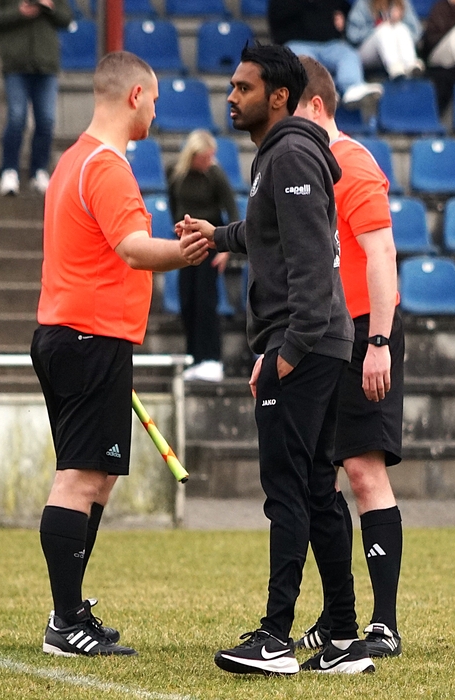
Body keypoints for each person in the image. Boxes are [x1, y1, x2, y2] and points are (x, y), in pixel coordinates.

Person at [181, 43, 374, 676]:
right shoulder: (281, 155)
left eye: (244, 87)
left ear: (280, 96)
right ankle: (343, 637)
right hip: (319, 342)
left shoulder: (288, 154)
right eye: (232, 86)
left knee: (288, 489)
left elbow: (314, 263)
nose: (231, 96)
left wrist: (286, 353)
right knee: (317, 489)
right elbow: (274, 233)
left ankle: (275, 637)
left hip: (304, 343)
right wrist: (219, 235)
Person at [31, 51, 209, 658]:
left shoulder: (74, 160)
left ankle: (69, 608)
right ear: (135, 95)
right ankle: (64, 622)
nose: (155, 111)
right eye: (154, 99)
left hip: (81, 335)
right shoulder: (106, 166)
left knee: (98, 477)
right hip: (88, 337)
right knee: (80, 476)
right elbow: (133, 248)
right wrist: (194, 248)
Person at [292, 55, 405, 659]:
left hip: (362, 331)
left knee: (363, 471)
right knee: (318, 478)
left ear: (316, 106)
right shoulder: (307, 166)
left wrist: (378, 342)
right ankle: (339, 615)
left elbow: (381, 253)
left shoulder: (351, 163)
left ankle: (383, 623)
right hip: (322, 335)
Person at [167, 129, 238, 383]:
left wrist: (226, 248)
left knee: (206, 301)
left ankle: (212, 358)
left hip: (209, 244)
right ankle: (194, 357)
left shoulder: (215, 174)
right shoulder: (176, 173)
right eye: (205, 157)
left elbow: (232, 210)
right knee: (187, 300)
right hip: (187, 244)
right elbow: (174, 204)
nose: (208, 162)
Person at [0, 0, 72, 197]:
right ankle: (9, 170)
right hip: (15, 64)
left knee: (46, 120)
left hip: (46, 64)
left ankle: (39, 171)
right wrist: (18, 12)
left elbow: (66, 19)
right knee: (16, 118)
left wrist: (49, 7)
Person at [268, 0, 384, 111]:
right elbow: (276, 20)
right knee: (305, 61)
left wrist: (343, 17)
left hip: (329, 44)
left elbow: (345, 10)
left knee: (349, 55)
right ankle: (320, 94)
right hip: (297, 43)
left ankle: (352, 87)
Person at [346, 0, 424, 80]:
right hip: (366, 53)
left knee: (400, 27)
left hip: (395, 52)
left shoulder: (402, 2)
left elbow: (416, 32)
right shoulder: (364, 3)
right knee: (384, 30)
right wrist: (377, 26)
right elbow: (353, 35)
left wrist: (398, 21)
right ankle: (395, 68)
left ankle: (410, 64)